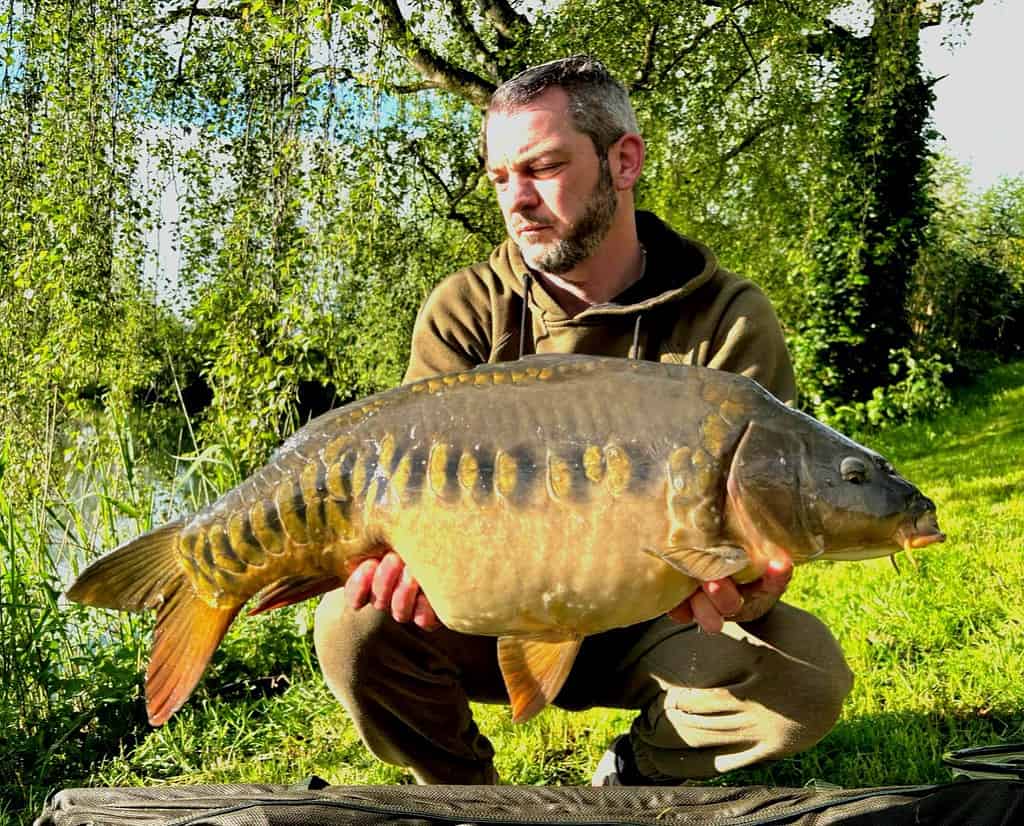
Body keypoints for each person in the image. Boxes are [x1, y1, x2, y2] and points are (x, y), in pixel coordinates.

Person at [314, 55, 853, 786]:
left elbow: (764, 523)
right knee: (353, 626)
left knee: (805, 679)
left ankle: (638, 774)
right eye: (501, 179)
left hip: (661, 616)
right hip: (488, 606)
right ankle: (467, 799)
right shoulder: (466, 311)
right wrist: (398, 558)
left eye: (542, 167)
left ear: (622, 160)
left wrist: (754, 581)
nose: (517, 200)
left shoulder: (727, 317)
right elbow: (406, 487)